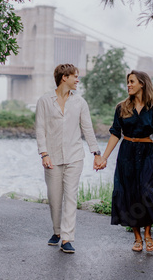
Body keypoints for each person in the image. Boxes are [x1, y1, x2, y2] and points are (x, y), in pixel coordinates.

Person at [96, 70, 153, 252]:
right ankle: (137, 237)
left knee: (148, 193)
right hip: (126, 153)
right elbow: (115, 133)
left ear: (142, 83)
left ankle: (148, 234)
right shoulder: (122, 107)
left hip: (147, 153)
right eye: (128, 82)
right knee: (129, 193)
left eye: (132, 81)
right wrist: (104, 157)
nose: (128, 85)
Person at [35, 64, 102, 254]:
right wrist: (44, 153)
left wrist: (96, 153)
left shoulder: (80, 102)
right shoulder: (44, 101)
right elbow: (40, 129)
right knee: (55, 198)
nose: (78, 80)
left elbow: (87, 128)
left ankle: (66, 238)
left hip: (74, 157)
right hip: (52, 157)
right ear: (64, 77)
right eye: (75, 76)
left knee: (71, 197)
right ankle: (57, 231)